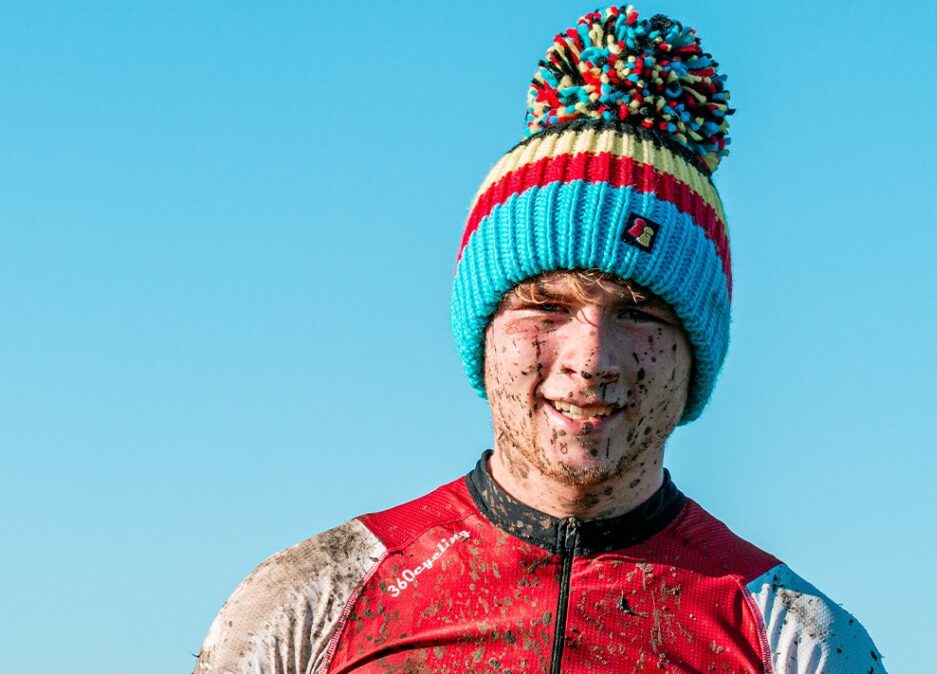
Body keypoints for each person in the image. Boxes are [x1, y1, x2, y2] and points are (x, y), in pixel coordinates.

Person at [193, 6, 887, 673]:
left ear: (696, 352)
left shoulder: (798, 640)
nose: (591, 357)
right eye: (546, 307)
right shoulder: (309, 604)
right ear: (484, 333)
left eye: (641, 312)